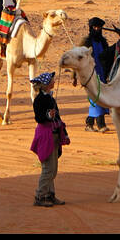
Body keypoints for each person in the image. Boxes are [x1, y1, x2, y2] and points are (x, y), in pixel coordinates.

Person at [29, 72, 69, 206]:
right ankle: (40, 196)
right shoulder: (39, 100)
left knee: (53, 168)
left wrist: (64, 133)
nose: (54, 81)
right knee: (48, 169)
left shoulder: (51, 98)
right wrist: (48, 115)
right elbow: (39, 118)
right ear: (46, 84)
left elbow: (58, 117)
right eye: (52, 80)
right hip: (46, 135)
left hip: (54, 135)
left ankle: (50, 195)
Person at [79, 16, 112, 132]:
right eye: (95, 27)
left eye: (99, 27)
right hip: (90, 75)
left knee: (99, 97)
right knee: (96, 98)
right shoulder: (86, 42)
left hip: (102, 74)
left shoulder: (103, 42)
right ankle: (101, 125)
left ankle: (89, 123)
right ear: (91, 28)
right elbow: (78, 60)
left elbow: (108, 57)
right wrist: (75, 77)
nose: (97, 29)